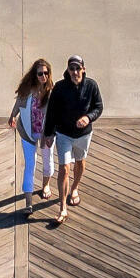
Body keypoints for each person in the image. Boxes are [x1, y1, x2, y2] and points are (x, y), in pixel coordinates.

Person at [46, 55, 102, 223]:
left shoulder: (91, 86)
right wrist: (48, 133)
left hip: (84, 134)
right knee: (64, 168)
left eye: (78, 68)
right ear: (68, 70)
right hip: (63, 134)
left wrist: (88, 117)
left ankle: (75, 188)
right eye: (72, 69)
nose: (75, 72)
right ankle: (62, 207)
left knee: (80, 162)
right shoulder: (60, 87)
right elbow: (51, 112)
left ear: (83, 69)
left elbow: (98, 107)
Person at [11, 58, 53, 208]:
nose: (43, 76)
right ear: (34, 75)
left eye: (46, 73)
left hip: (45, 134)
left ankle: (45, 185)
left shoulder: (51, 92)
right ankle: (28, 203)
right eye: (40, 73)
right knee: (30, 165)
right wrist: (12, 116)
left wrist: (51, 134)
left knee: (47, 164)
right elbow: (18, 103)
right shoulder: (27, 90)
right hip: (28, 133)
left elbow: (54, 114)